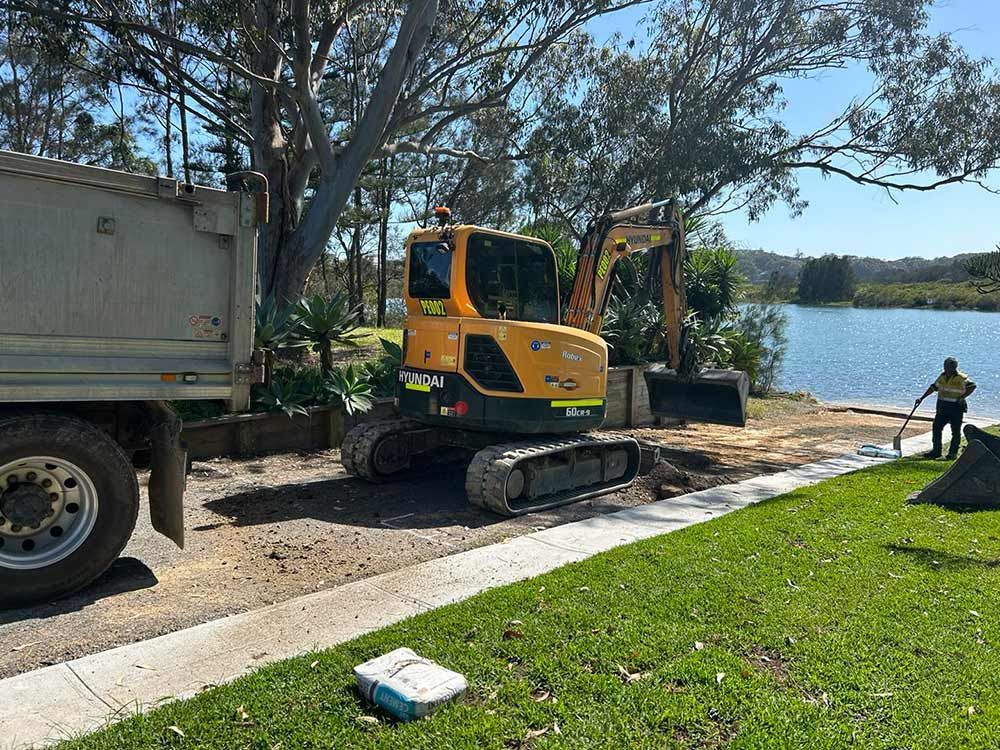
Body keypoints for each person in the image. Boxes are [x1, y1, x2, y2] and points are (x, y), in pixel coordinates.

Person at [916, 357, 977, 459]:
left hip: (956, 408)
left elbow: (972, 386)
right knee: (936, 428)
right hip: (942, 407)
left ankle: (952, 453)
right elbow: (933, 387)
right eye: (945, 366)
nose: (946, 368)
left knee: (955, 431)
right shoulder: (942, 377)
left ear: (954, 367)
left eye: (949, 366)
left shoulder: (961, 378)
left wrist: (962, 397)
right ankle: (936, 451)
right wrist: (921, 398)